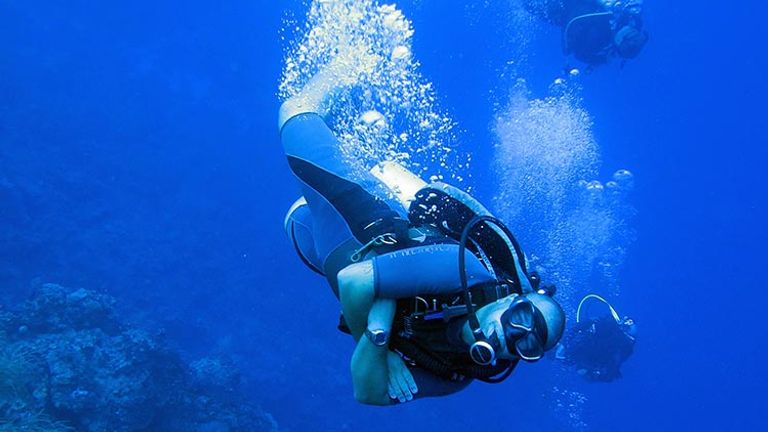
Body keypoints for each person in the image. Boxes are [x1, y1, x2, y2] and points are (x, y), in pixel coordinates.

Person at [279, 66, 566, 405]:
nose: (511, 335)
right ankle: (343, 67)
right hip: (360, 217)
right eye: (522, 318)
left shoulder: (454, 375)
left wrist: (379, 329)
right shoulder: (463, 269)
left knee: (294, 222)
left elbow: (368, 393)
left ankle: (345, 136)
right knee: (293, 113)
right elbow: (353, 281)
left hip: (330, 254)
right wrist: (381, 349)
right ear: (509, 300)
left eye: (528, 345)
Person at [524, 0, 649, 66]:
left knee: (529, 5)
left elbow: (580, 53)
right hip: (565, 10)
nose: (633, 32)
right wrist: (602, 60)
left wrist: (602, 60)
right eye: (635, 35)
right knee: (530, 6)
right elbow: (580, 54)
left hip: (562, 9)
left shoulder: (600, 36)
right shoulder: (628, 18)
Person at [555, 294, 637, 382]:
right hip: (581, 351)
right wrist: (564, 343)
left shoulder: (625, 346)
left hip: (587, 358)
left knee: (569, 361)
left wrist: (598, 374)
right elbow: (578, 327)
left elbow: (614, 367)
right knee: (562, 356)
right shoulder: (608, 324)